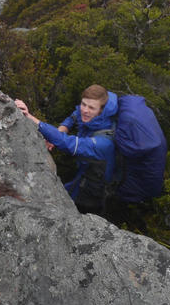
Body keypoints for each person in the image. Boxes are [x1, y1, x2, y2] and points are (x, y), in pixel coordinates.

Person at [14, 85, 118, 214]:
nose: (85, 110)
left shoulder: (104, 143)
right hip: (85, 169)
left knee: (73, 211)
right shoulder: (95, 113)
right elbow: (74, 116)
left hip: (94, 188)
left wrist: (30, 117)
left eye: (91, 108)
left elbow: (68, 143)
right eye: (83, 104)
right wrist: (61, 129)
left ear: (102, 111)